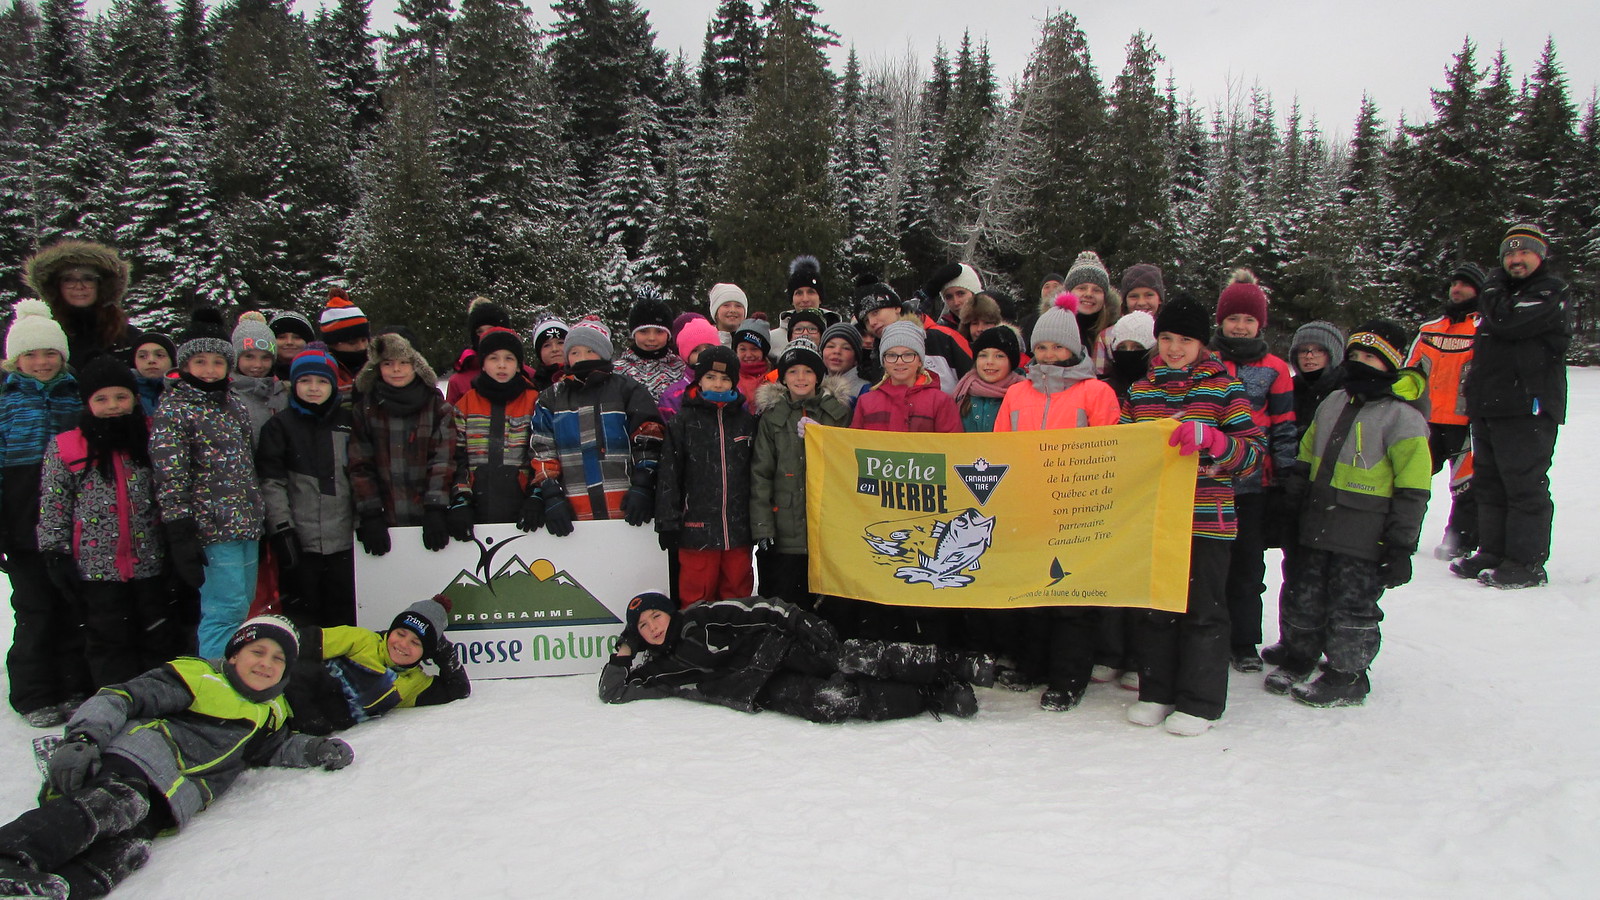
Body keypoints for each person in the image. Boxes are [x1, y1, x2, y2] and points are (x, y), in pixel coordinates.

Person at [0, 616, 352, 899]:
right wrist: (82, 739)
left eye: (278, 659)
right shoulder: (198, 677)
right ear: (234, 655)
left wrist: (315, 749)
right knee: (117, 805)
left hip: (168, 801)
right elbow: (120, 697)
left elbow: (276, 748)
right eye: (257, 652)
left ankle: (53, 891)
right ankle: (9, 856)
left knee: (127, 851)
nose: (266, 663)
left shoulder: (271, 714)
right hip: (132, 764)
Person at [1121, 296, 1263, 736]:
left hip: (1206, 520)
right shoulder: (1141, 390)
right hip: (1155, 521)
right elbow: (1121, 451)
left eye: (1185, 339)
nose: (1174, 348)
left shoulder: (1225, 388)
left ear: (1202, 343)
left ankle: (1200, 701)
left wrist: (1217, 442)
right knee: (1155, 609)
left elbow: (1253, 457)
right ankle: (1156, 692)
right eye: (1166, 338)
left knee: (1204, 611)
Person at [1268, 321, 1429, 707]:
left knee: (1350, 603)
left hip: (1363, 533)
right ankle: (1300, 653)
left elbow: (1413, 490)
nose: (1360, 363)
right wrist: (1292, 506)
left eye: (1370, 357)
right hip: (1316, 522)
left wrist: (1401, 545)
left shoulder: (1403, 418)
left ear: (1389, 363)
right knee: (1303, 592)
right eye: (1354, 355)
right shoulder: (1333, 401)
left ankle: (1347, 673)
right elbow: (1307, 457)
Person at [993, 294, 1121, 711]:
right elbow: (1000, 448)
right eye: (1042, 346)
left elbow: (1111, 451)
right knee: (1032, 591)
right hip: (1029, 506)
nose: (1049, 354)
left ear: (1075, 349)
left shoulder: (1096, 392)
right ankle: (1033, 665)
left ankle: (1069, 677)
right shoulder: (1017, 394)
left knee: (1071, 596)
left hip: (1076, 508)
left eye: (1058, 346)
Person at [598, 593, 992, 722]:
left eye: (655, 616)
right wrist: (625, 650)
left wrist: (799, 620)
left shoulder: (701, 616)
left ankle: (954, 664)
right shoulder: (659, 670)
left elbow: (761, 608)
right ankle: (933, 696)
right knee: (832, 703)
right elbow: (612, 691)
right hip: (756, 688)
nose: (652, 627)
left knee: (854, 658)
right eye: (643, 626)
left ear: (669, 612)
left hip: (777, 647)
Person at [37, 355, 179, 691]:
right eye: (101, 399)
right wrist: (54, 551)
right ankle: (114, 701)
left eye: (121, 397)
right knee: (108, 638)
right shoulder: (67, 446)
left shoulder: (153, 437)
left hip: (150, 561)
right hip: (97, 567)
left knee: (157, 633)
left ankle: (157, 700)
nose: (113, 406)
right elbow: (54, 503)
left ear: (135, 398)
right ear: (87, 403)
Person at [1453, 225, 1570, 589]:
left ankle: (1525, 562)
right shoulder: (1500, 293)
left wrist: (1490, 290)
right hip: (1490, 402)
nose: (1516, 260)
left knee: (1523, 484)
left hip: (1527, 405)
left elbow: (1508, 321)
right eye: (1509, 254)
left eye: (1524, 253)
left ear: (1540, 255)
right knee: (1489, 482)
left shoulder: (1550, 291)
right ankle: (1492, 551)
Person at [150, 307, 265, 660]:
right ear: (185, 365)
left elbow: (248, 464)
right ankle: (214, 676)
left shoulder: (235, 405)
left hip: (246, 523)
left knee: (243, 605)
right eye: (200, 362)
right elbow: (170, 474)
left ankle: (236, 670)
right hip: (211, 529)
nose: (210, 370)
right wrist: (180, 530)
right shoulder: (175, 409)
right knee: (223, 610)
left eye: (217, 362)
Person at [1, 300, 91, 728]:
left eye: (50, 353)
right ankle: (33, 691)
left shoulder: (76, 397)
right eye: (31, 354)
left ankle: (73, 684)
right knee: (34, 609)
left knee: (72, 604)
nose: (41, 362)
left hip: (72, 522)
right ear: (16, 360)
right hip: (22, 524)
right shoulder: (6, 403)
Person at [1208, 269, 1296, 673]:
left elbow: (1284, 425)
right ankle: (1210, 633)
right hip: (1208, 482)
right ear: (1221, 321)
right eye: (1233, 319)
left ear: (1260, 324)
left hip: (1253, 486)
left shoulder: (1275, 368)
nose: (1240, 327)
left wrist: (1284, 476)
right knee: (1211, 564)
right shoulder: (1206, 362)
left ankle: (1243, 640)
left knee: (1247, 566)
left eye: (1248, 319)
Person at [527, 318, 664, 534]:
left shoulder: (628, 390)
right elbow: (543, 450)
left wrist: (644, 484)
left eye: (590, 351)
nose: (582, 358)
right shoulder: (550, 398)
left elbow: (649, 439)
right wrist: (551, 493)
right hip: (574, 514)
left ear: (603, 353)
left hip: (626, 508)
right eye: (575, 352)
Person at [257, 347, 357, 630]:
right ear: (294, 383)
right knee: (303, 617)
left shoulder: (349, 423)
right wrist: (282, 529)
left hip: (344, 542)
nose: (314, 388)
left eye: (322, 381)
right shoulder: (279, 426)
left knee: (344, 618)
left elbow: (362, 476)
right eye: (305, 381)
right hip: (301, 542)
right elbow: (271, 482)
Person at [750, 339, 851, 611]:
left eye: (808, 371)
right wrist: (763, 527)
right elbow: (761, 474)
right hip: (785, 532)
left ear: (818, 376)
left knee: (829, 611)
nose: (801, 378)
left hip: (828, 531)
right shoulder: (772, 417)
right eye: (793, 371)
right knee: (785, 609)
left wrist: (824, 438)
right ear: (783, 378)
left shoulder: (837, 413)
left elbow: (848, 464)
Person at [656, 346, 757, 608]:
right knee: (697, 594)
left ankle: (737, 631)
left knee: (737, 592)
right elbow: (669, 474)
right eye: (711, 377)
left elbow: (758, 473)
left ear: (734, 382)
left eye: (725, 378)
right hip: (696, 529)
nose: (718, 384)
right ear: (699, 380)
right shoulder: (683, 422)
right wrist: (667, 521)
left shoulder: (746, 422)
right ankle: (695, 633)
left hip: (737, 528)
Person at [285, 596, 470, 735]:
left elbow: (458, 689)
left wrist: (444, 651)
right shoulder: (362, 640)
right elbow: (296, 643)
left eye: (416, 643)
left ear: (427, 652)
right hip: (281, 696)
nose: (403, 644)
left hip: (297, 732)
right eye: (401, 633)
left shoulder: (414, 683)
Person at [348, 332, 456, 555]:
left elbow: (442, 461)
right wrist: (370, 512)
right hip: (385, 515)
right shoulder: (365, 410)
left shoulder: (438, 408)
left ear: (417, 365)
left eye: (404, 363)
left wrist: (435, 507)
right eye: (388, 363)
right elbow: (360, 464)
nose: (396, 369)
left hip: (427, 515)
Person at [1406, 262, 1484, 560]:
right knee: (1409, 482)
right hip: (1425, 420)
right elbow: (1409, 371)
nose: (1457, 289)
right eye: (1454, 284)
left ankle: (1459, 542)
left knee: (1465, 487)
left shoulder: (1484, 329)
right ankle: (1402, 537)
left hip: (1464, 422)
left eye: (1464, 284)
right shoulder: (1429, 329)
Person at [447, 327, 538, 536]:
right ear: (483, 364)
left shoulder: (534, 401)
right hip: (477, 505)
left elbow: (540, 451)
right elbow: (455, 457)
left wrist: (536, 495)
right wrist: (461, 497)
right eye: (493, 358)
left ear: (518, 365)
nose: (501, 365)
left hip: (521, 506)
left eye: (509, 358)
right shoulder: (466, 404)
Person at [22, 240, 140, 370]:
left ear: (101, 285)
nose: (79, 286)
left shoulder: (126, 336)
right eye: (69, 279)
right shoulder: (40, 334)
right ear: (56, 286)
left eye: (88, 279)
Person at [228, 311, 288, 447]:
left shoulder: (282, 393)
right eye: (249, 356)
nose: (257, 365)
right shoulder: (226, 395)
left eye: (265, 358)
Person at [614, 292, 686, 402]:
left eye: (659, 331)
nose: (652, 338)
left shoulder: (680, 369)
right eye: (644, 331)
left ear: (668, 335)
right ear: (633, 334)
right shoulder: (618, 370)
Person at [953, 324, 1025, 434]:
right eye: (983, 355)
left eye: (999, 356)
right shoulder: (963, 392)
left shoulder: (1024, 394)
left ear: (1011, 362)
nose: (990, 362)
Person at [446, 297, 515, 404]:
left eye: (491, 330)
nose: (485, 336)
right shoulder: (458, 382)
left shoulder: (526, 375)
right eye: (479, 331)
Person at [657, 317, 721, 422]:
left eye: (709, 348)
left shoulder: (729, 386)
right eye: (695, 350)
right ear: (686, 356)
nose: (703, 354)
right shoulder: (674, 396)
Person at [317, 289, 372, 396]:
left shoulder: (381, 366)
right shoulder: (320, 371)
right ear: (333, 344)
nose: (361, 347)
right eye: (352, 343)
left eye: (364, 340)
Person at [819, 322, 869, 406]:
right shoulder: (812, 383)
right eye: (831, 346)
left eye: (846, 348)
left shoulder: (864, 389)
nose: (837, 351)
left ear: (856, 358)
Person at [927, 262, 983, 331]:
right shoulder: (943, 332)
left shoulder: (992, 323)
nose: (956, 302)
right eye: (949, 297)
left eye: (961, 294)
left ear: (974, 293)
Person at [130, 332, 175, 417]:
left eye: (159, 355)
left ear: (172, 360)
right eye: (142, 356)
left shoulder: (188, 391)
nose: (151, 360)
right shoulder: (125, 393)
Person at [269, 310, 317, 381]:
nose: (289, 342)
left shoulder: (322, 373)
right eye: (282, 337)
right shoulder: (258, 372)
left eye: (297, 337)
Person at [530, 317, 568, 392]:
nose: (554, 349)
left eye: (560, 343)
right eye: (547, 345)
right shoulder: (533, 387)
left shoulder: (583, 377)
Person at [708, 283, 748, 347]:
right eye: (726, 305)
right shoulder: (705, 343)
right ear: (715, 311)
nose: (733, 310)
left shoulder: (751, 343)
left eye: (738, 306)